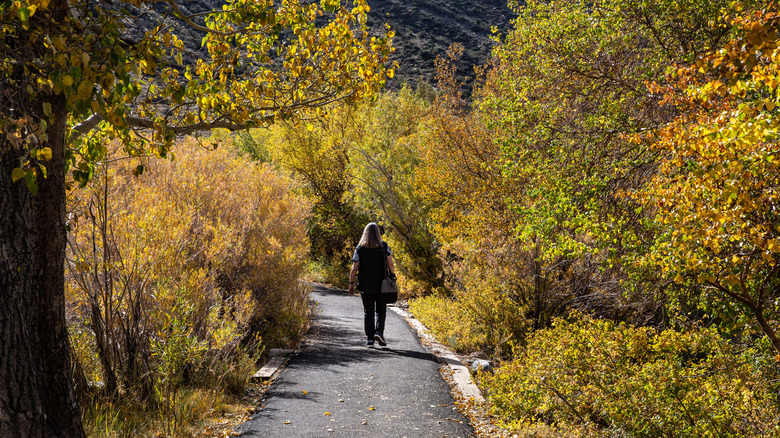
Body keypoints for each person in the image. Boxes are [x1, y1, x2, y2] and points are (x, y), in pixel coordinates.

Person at [348, 223, 396, 348]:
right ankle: (379, 332)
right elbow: (390, 263)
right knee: (381, 311)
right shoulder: (384, 247)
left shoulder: (359, 248)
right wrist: (393, 276)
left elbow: (354, 268)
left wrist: (351, 283)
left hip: (365, 284)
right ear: (377, 233)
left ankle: (370, 339)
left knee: (368, 312)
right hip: (382, 284)